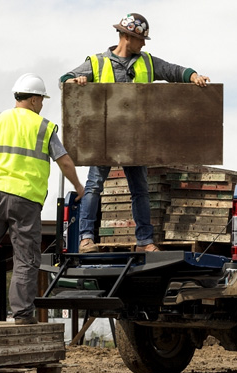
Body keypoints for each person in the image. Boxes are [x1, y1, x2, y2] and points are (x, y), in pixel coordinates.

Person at [60, 12, 210, 253]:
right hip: (105, 137)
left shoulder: (148, 62)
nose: (143, 44)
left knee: (139, 189)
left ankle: (144, 242)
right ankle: (86, 238)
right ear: (128, 37)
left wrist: (194, 76)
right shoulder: (97, 63)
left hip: (135, 139)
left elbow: (173, 70)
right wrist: (73, 83)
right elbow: (65, 79)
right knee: (94, 185)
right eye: (141, 39)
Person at [0, 73, 85, 325]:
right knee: (25, 257)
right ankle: (23, 314)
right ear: (35, 99)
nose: (42, 105)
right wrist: (79, 187)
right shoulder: (44, 127)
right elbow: (65, 161)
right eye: (42, 100)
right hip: (26, 199)